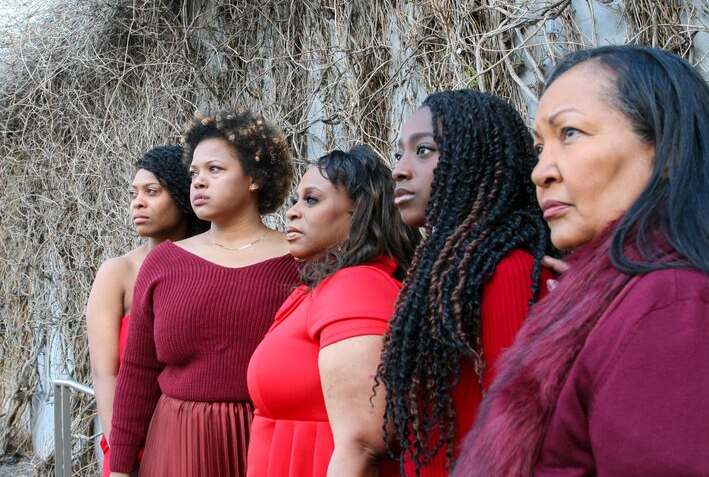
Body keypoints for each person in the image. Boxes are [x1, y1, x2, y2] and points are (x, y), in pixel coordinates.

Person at [452, 45, 709, 477]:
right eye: (540, 149)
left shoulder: (684, 313)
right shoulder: (646, 300)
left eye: (570, 133)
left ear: (667, 150)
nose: (541, 172)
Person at [108, 110, 301, 477]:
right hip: (177, 443)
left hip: (266, 442)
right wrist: (119, 467)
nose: (198, 182)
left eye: (215, 169)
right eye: (194, 173)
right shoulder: (164, 263)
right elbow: (137, 372)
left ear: (255, 178)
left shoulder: (298, 261)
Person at [377, 90, 555, 476]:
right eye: (399, 154)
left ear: (479, 159)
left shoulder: (508, 271)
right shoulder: (448, 270)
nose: (400, 169)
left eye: (423, 150)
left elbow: (512, 440)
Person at [245, 146, 420, 477]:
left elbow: (363, 445)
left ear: (360, 212)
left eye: (311, 200)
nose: (292, 213)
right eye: (295, 201)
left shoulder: (358, 286)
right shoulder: (319, 288)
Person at [86, 145, 209, 477]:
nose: (137, 202)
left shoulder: (209, 265)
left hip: (195, 439)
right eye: (134, 193)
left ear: (184, 198)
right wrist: (122, 450)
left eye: (152, 192)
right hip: (131, 441)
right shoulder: (118, 272)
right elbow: (104, 373)